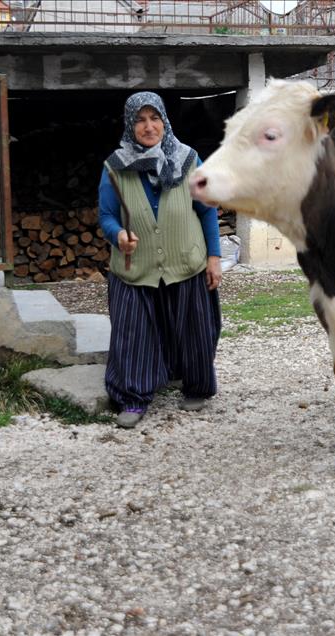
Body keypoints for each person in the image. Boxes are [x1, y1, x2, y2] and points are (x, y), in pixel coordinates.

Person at [98, 91, 222, 429]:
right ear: (130, 124)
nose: (148, 126)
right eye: (140, 120)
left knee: (194, 330)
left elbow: (207, 210)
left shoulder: (188, 159)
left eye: (154, 118)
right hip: (135, 266)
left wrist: (214, 256)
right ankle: (133, 399)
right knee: (132, 333)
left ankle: (195, 386)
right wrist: (118, 236)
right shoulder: (115, 166)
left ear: (165, 122)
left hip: (186, 260)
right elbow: (107, 215)